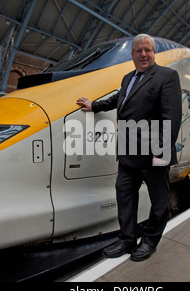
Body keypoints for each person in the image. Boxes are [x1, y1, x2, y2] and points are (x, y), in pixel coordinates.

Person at [76, 34, 182, 261]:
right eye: (138, 51)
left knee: (159, 201)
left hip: (153, 152)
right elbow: (119, 99)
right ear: (132, 54)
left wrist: (161, 148)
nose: (143, 54)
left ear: (154, 53)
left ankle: (150, 240)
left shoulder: (167, 76)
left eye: (148, 50)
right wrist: (93, 105)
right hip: (128, 152)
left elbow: (171, 116)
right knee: (124, 196)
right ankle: (126, 240)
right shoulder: (128, 78)